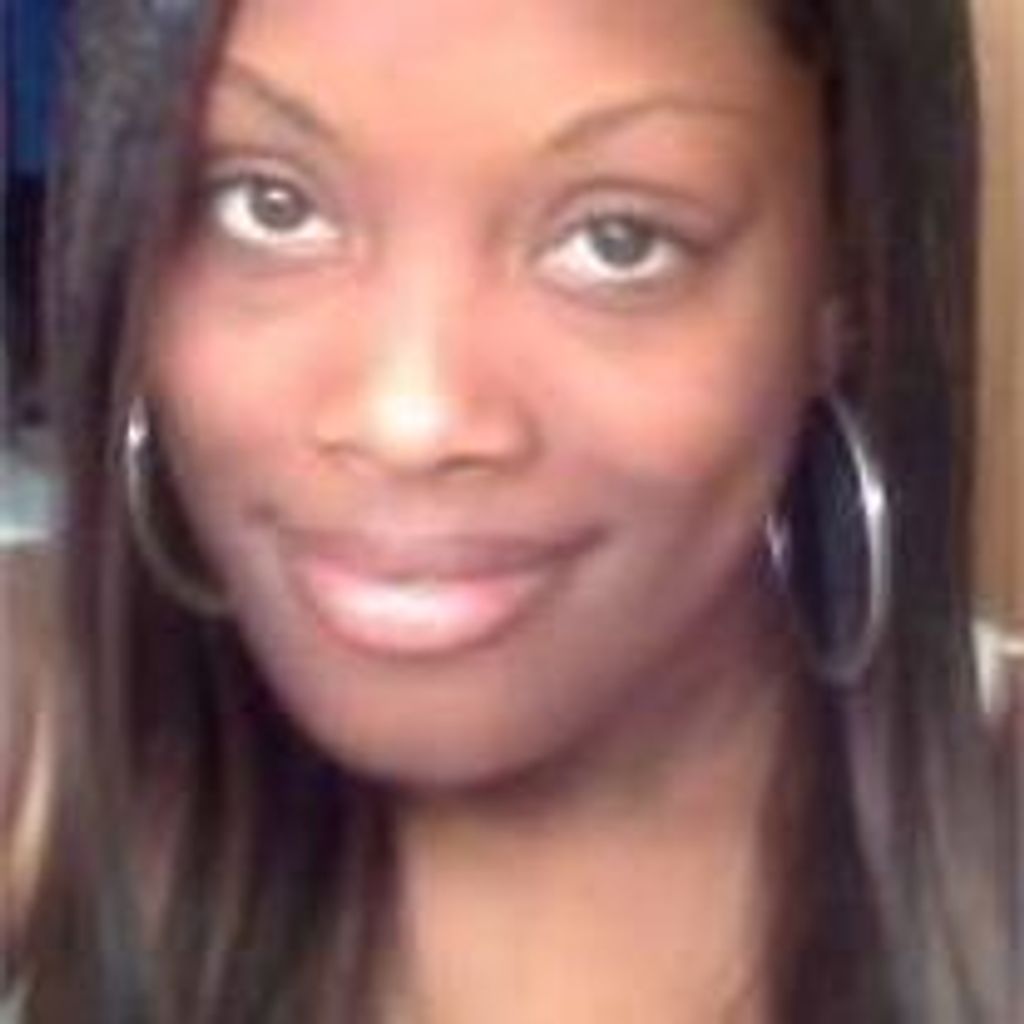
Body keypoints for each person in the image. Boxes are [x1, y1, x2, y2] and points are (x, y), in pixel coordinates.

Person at [2, 0, 1015, 1021]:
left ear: (844, 271)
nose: (411, 420)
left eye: (618, 242)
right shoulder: (55, 738)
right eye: (269, 206)